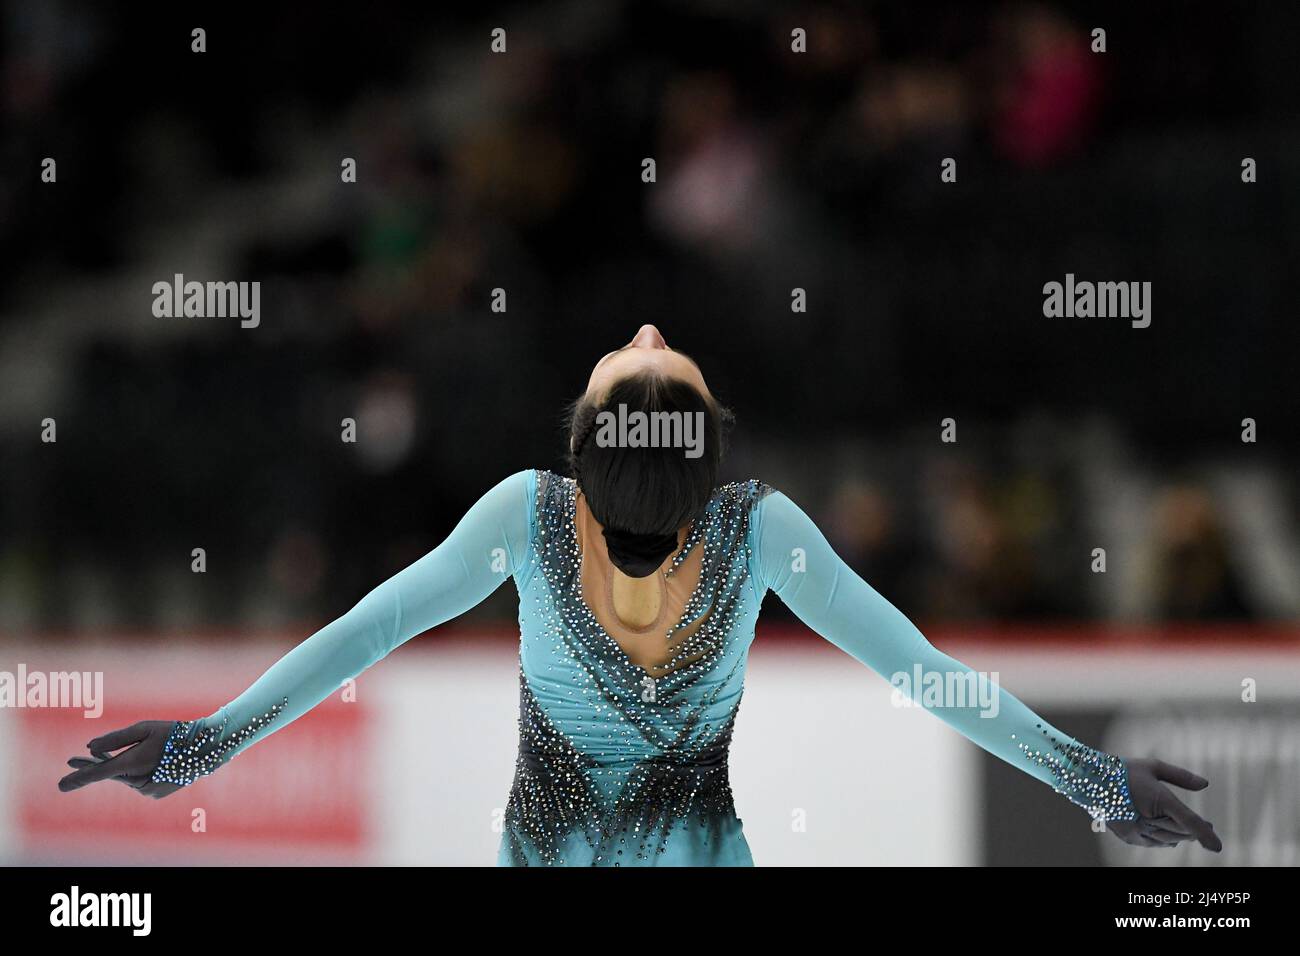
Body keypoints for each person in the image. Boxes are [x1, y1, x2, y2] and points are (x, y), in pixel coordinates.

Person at [58, 324, 1221, 865]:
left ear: (578, 450)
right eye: (653, 358)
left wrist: (212, 744)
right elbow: (927, 675)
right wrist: (1088, 775)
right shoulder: (760, 531)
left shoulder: (523, 514)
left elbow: (366, 628)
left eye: (632, 360)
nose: (649, 326)